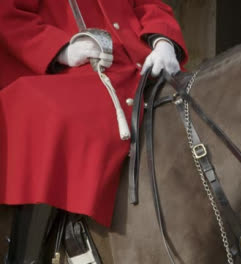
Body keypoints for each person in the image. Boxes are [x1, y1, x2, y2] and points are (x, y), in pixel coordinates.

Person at [0, 0, 187, 262]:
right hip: (59, 71)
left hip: (140, 63)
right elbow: (7, 14)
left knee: (192, 110)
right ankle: (30, 255)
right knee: (56, 118)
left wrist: (164, 41)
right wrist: (62, 49)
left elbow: (149, 4)